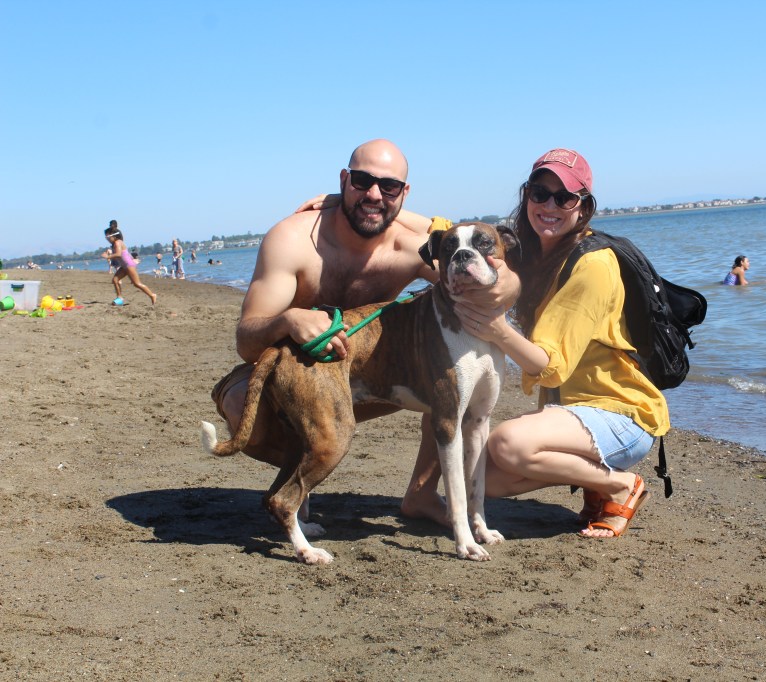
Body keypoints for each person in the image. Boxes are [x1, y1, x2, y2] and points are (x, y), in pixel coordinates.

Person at [211, 139, 519, 526]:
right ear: (344, 179)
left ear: (404, 193)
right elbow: (245, 340)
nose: (374, 195)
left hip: (375, 376)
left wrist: (503, 284)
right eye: (361, 181)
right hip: (293, 370)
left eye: (388, 187)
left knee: (447, 378)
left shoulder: (411, 247)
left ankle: (421, 495)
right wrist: (287, 320)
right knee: (245, 410)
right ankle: (301, 479)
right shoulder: (293, 239)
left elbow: (481, 261)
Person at [455, 149, 669, 539]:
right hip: (574, 415)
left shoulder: (592, 265)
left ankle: (621, 486)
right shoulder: (536, 253)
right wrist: (335, 203)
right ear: (526, 197)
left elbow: (551, 366)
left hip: (621, 415)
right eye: (540, 193)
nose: (549, 205)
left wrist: (497, 329)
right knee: (483, 481)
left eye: (564, 197)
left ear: (583, 207)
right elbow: (450, 230)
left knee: (508, 443)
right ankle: (597, 483)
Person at [100, 220, 157, 304]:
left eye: (107, 237)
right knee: (115, 280)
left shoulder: (117, 242)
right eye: (106, 237)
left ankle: (152, 295)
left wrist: (107, 256)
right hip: (124, 266)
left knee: (137, 284)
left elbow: (119, 254)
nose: (107, 239)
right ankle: (119, 298)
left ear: (113, 236)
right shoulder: (115, 243)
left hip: (129, 265)